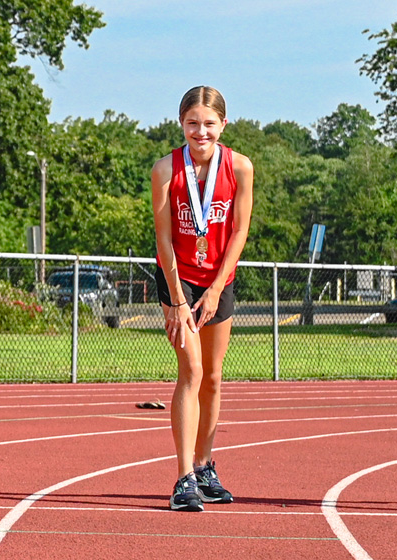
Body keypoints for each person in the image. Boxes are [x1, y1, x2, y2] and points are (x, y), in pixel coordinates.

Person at [151, 86, 254, 511]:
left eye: (209, 123)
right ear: (181, 124)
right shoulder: (164, 169)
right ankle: (183, 478)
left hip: (219, 281)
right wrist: (178, 298)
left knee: (213, 376)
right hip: (178, 278)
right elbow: (163, 238)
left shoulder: (241, 167)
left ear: (223, 124)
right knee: (190, 370)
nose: (201, 131)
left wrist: (216, 289)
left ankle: (205, 462)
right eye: (192, 123)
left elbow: (239, 231)